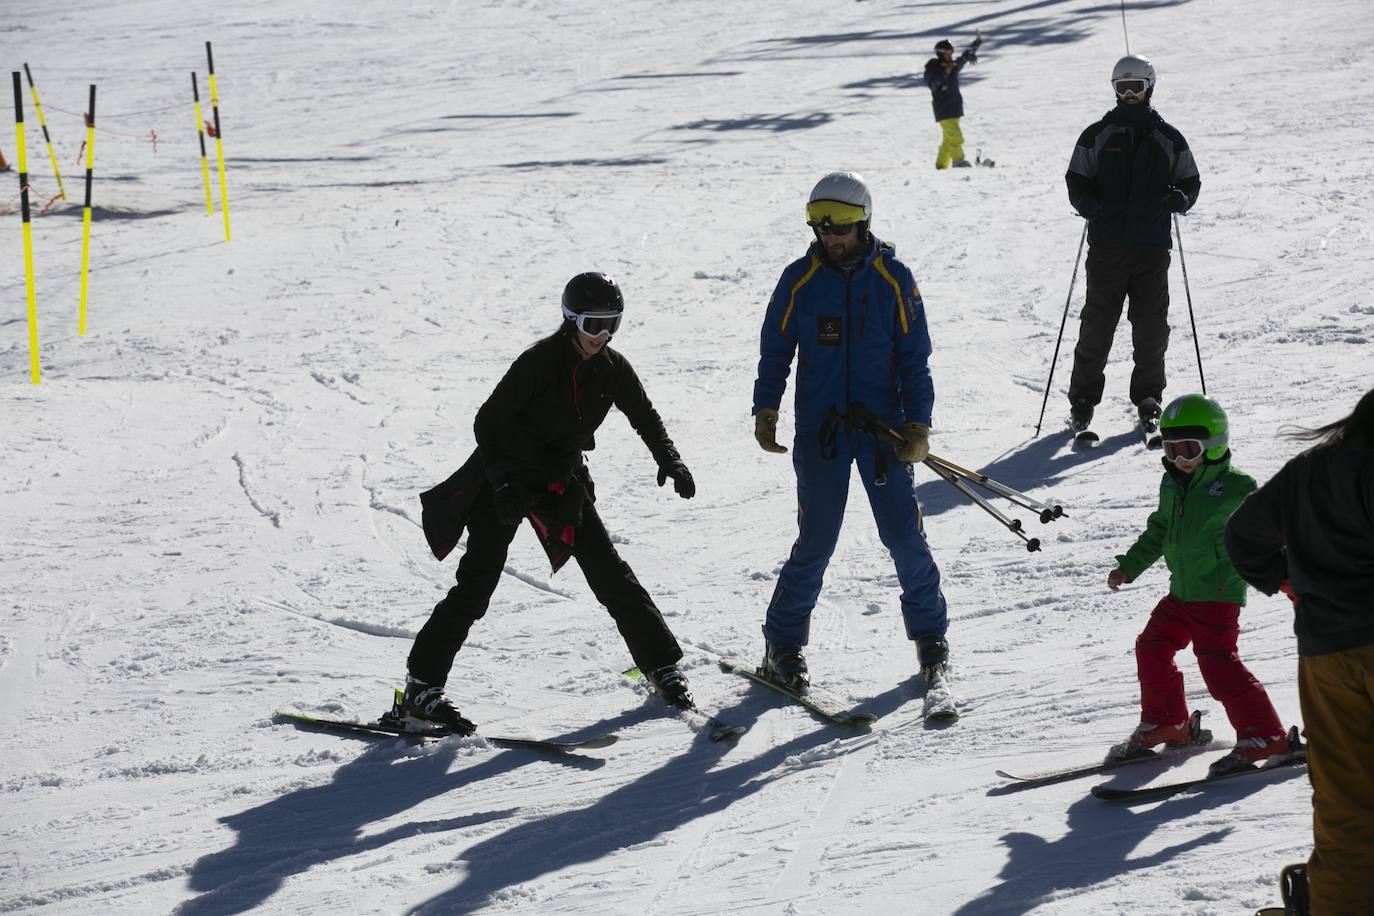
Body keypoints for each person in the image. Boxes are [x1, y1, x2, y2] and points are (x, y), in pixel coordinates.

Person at [404, 272, 699, 731]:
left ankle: (661, 666)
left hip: (561, 482)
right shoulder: (539, 362)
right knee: (476, 585)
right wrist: (502, 483)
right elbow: (488, 422)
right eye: (592, 324)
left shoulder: (613, 369)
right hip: (504, 480)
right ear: (569, 320)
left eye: (611, 324)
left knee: (610, 573)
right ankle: (420, 689)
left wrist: (670, 459)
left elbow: (645, 415)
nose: (602, 336)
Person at [751, 170, 950, 695]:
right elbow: (776, 350)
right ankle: (782, 645)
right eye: (820, 226)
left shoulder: (894, 278)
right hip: (821, 434)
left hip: (884, 435)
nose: (830, 237)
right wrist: (765, 409)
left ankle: (932, 639)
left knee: (905, 538)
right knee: (816, 541)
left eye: (839, 226)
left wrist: (919, 426)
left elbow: (915, 360)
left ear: (862, 222)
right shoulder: (799, 279)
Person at [1225, 386, 1374, 916]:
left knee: (1346, 807)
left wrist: (1286, 580)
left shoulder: (1309, 469)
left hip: (1328, 658)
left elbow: (1242, 534)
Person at [1105, 394, 1289, 775]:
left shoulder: (1237, 487)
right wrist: (1130, 567)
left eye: (1188, 449)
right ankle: (1167, 721)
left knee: (1218, 664)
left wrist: (1288, 575)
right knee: (1152, 645)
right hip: (1183, 592)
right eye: (1171, 450)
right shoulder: (1172, 485)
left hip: (1218, 594)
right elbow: (1159, 531)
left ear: (1214, 443)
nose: (1179, 460)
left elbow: (1266, 533)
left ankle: (1265, 735)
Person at [1064, 55, 1201, 437]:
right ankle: (1083, 400)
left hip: (1151, 250)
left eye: (1135, 88)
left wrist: (1181, 199)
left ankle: (1148, 398)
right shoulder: (1097, 134)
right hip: (1107, 248)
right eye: (1121, 88)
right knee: (1097, 325)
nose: (1128, 95)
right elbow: (1077, 178)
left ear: (1149, 88)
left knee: (1151, 328)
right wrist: (1085, 201)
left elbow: (1190, 180)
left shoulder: (1168, 138)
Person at [922, 30, 982, 169]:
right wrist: (944, 73)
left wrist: (977, 42)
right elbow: (934, 84)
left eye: (951, 53)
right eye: (947, 53)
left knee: (948, 140)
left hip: (954, 108)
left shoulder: (952, 66)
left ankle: (941, 165)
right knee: (955, 137)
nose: (950, 56)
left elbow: (964, 57)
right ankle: (958, 161)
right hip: (943, 109)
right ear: (941, 53)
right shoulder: (933, 68)